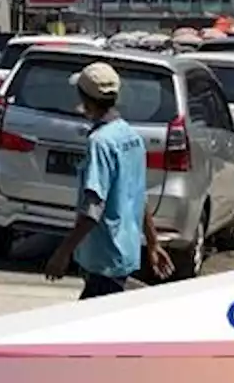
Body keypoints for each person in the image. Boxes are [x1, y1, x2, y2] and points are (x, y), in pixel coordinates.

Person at [44, 62, 175, 298]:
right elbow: (139, 195)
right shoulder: (130, 136)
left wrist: (62, 253)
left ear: (85, 99)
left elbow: (93, 209)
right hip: (124, 252)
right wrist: (153, 243)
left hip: (104, 257)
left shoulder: (100, 143)